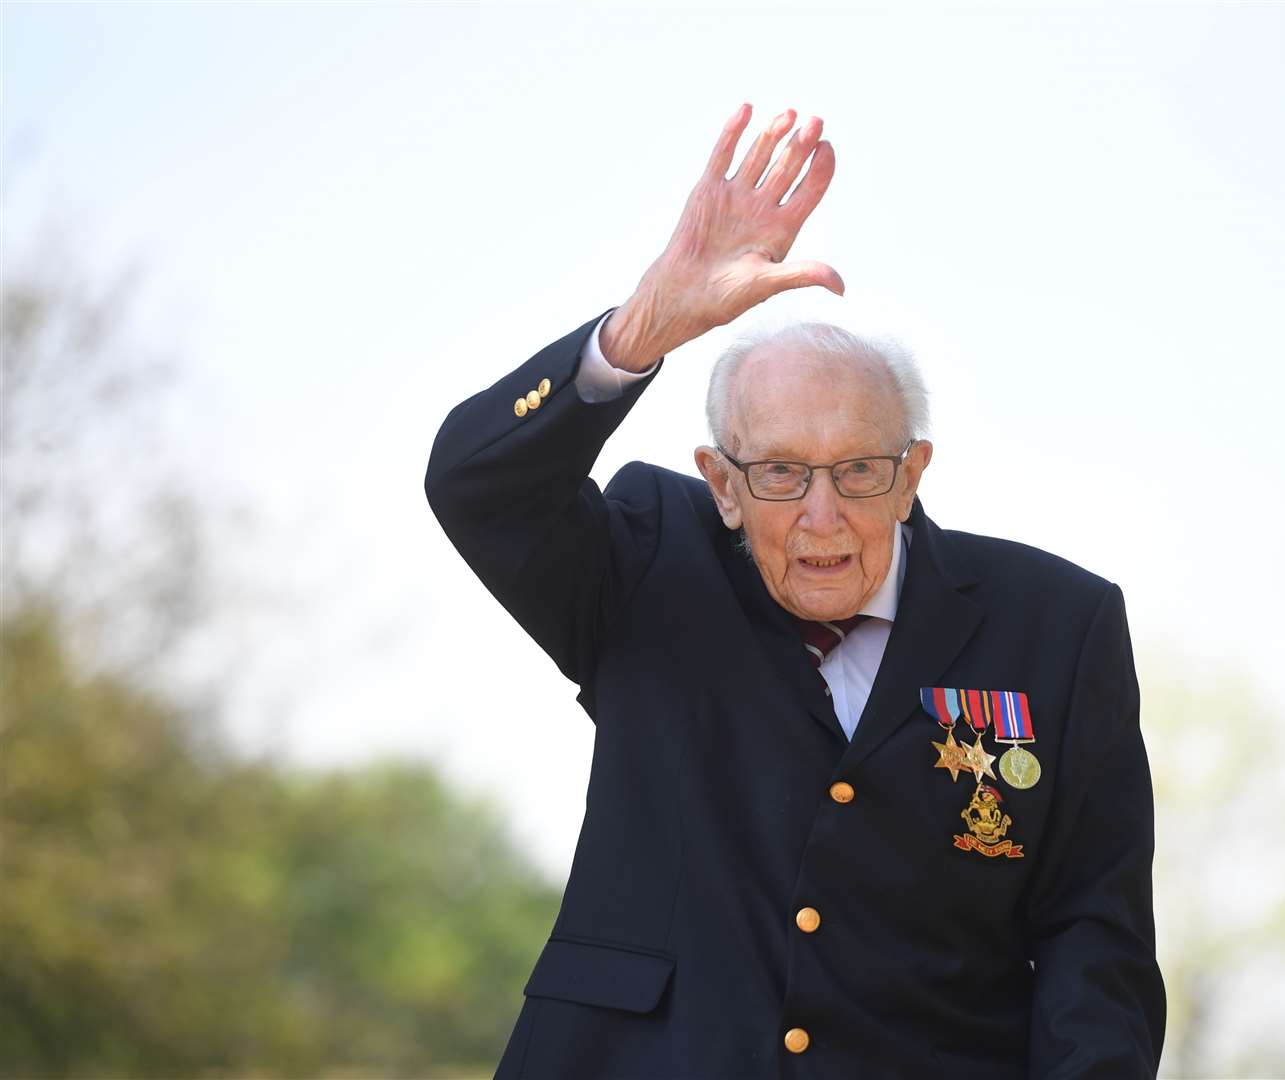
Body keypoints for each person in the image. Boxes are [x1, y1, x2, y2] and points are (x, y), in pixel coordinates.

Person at [425, 103, 1166, 1079]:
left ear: (912, 473)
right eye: (779, 474)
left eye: (859, 471)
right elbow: (478, 487)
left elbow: (1091, 936)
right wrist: (641, 329)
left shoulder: (1056, 626)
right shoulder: (650, 564)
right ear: (722, 483)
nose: (823, 514)